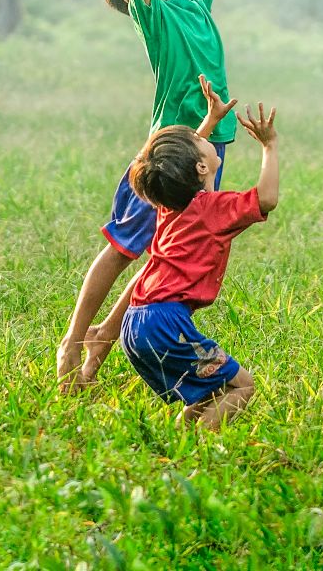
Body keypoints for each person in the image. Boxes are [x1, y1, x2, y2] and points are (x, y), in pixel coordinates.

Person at [55, 0, 295, 390]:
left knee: (168, 255)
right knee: (122, 248)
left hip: (212, 144)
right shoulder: (154, 16)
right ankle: (74, 343)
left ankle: (97, 358)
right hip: (169, 148)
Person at [120, 100, 280, 429]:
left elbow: (176, 165)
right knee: (242, 385)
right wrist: (269, 146)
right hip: (167, 325)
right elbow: (267, 198)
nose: (203, 137)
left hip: (135, 323)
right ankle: (201, 449)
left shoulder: (170, 203)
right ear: (201, 168)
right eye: (200, 140)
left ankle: (178, 442)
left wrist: (209, 121)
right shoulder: (213, 209)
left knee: (207, 392)